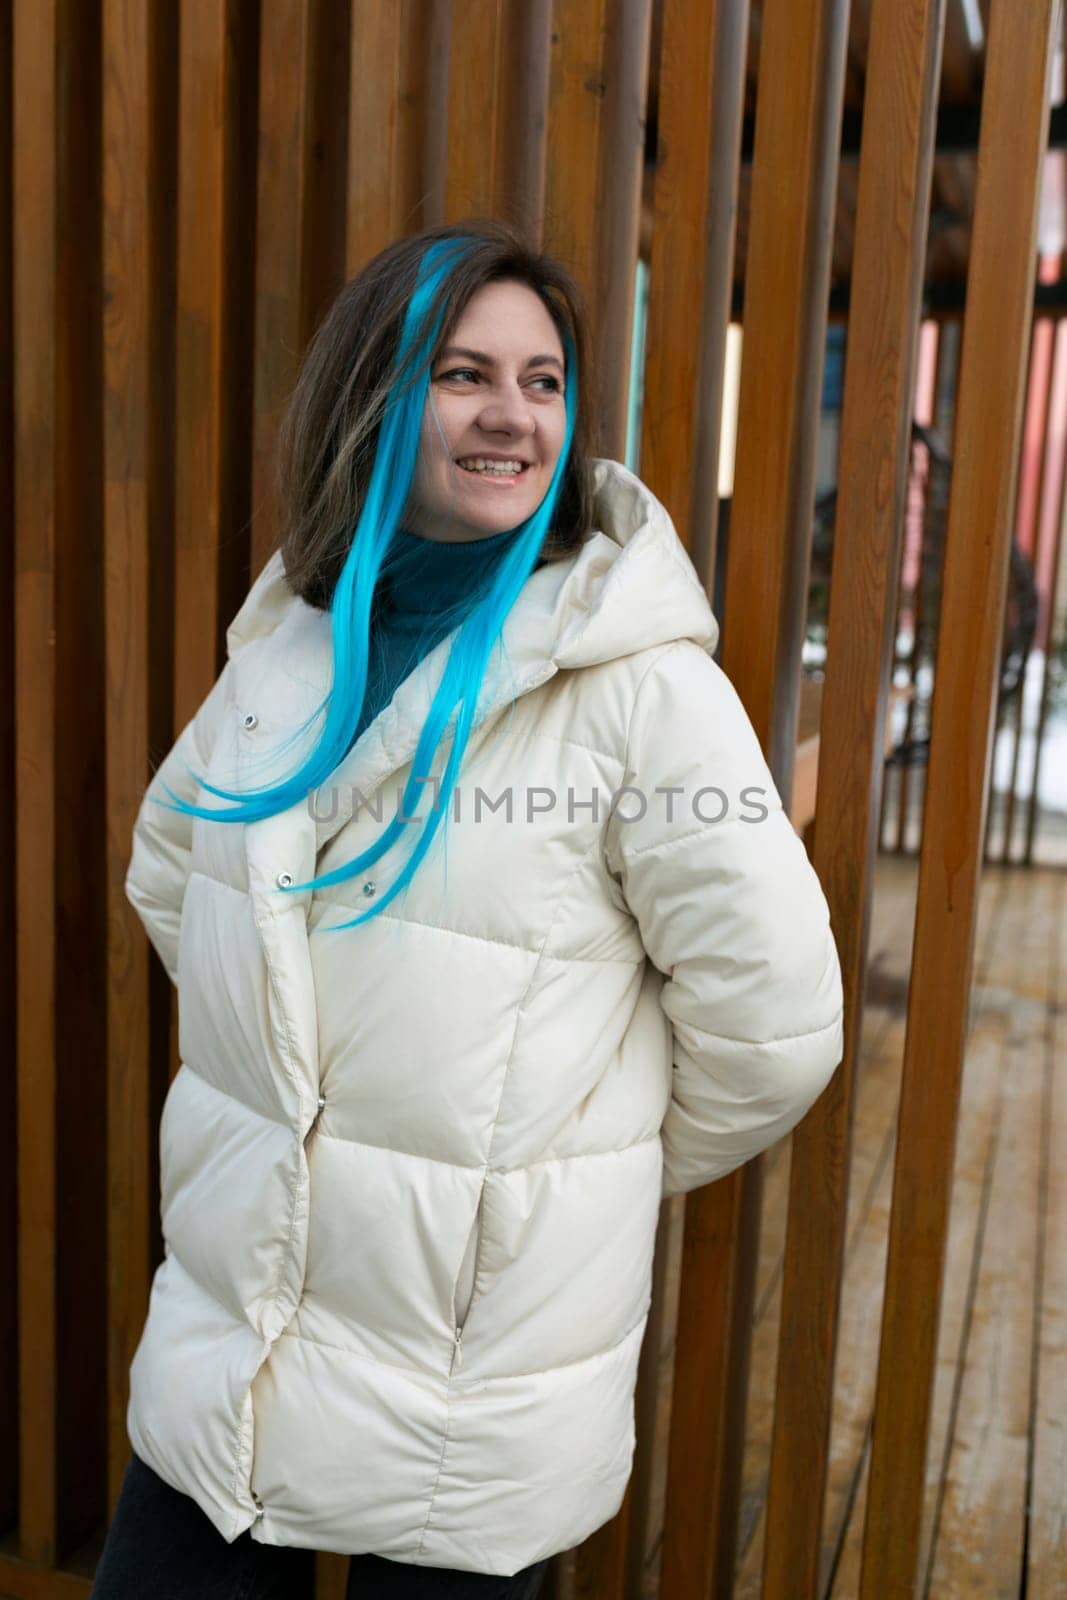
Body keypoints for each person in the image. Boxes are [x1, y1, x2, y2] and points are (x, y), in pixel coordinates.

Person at [92, 218, 844, 1598]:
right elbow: (172, 875)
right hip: (238, 1332)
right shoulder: (292, 637)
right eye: (465, 374)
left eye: (545, 380)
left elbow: (778, 1025)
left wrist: (547, 1174)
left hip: (470, 1377)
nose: (513, 414)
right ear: (377, 397)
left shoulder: (642, 688)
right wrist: (302, 1100)